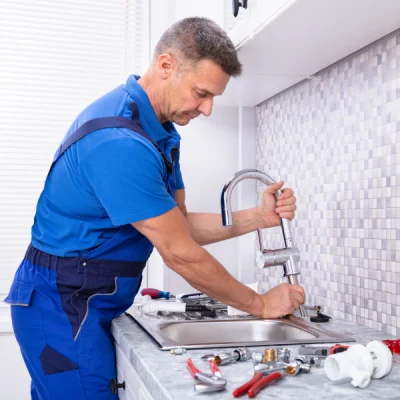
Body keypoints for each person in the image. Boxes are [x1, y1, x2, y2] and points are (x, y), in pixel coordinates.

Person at [5, 17, 305, 400]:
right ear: (166, 66)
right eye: (201, 93)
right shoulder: (119, 143)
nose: (208, 109)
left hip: (85, 300)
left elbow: (178, 225)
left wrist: (258, 218)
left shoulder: (160, 132)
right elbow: (180, 254)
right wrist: (260, 303)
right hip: (61, 306)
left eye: (214, 96)